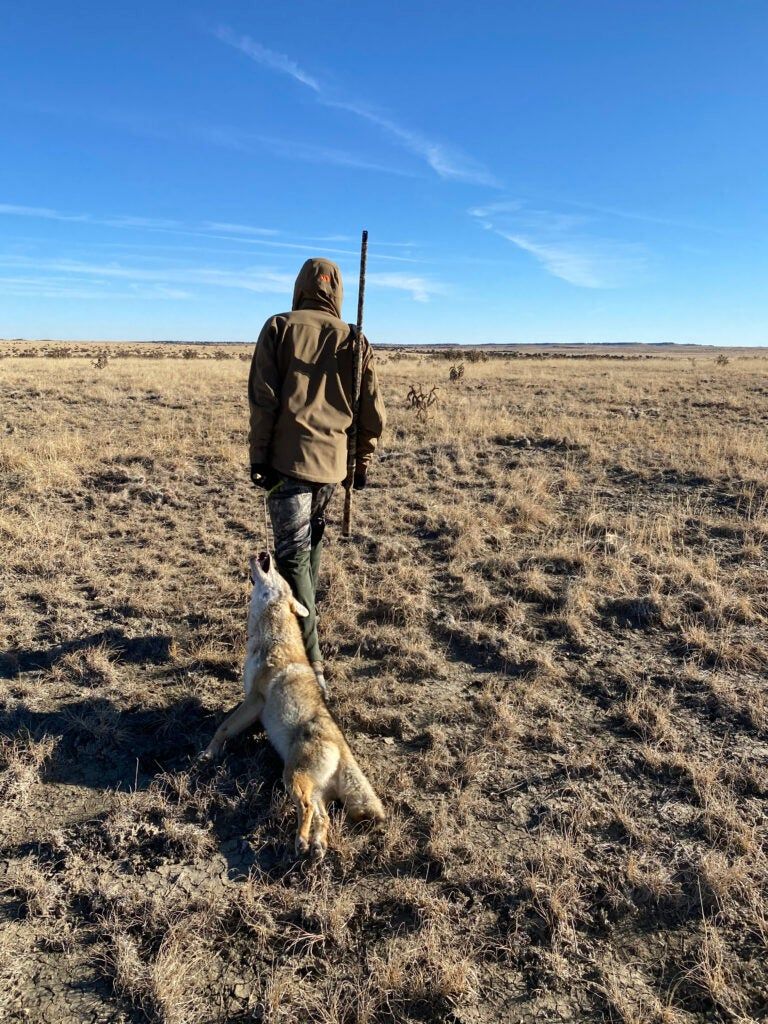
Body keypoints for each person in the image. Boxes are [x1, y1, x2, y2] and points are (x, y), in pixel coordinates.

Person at [247, 257, 386, 694]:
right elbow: (371, 412)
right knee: (308, 552)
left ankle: (310, 664)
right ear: (337, 291)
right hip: (332, 467)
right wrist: (360, 462)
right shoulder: (355, 340)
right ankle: (305, 641)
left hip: (286, 466)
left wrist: (259, 457)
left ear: (300, 287)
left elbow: (263, 400)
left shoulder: (279, 327)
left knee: (292, 559)